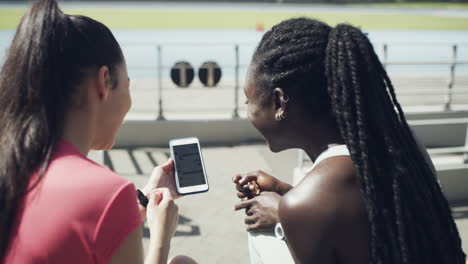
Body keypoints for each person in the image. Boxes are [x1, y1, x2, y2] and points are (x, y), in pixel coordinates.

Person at [233, 18, 466, 264]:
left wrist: (287, 215)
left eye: (249, 100)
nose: (248, 109)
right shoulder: (402, 145)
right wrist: (286, 197)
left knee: (261, 236)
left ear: (280, 103)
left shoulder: (307, 202)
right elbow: (375, 222)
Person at [0, 1, 196, 263]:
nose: (129, 100)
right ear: (104, 83)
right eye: (127, 84)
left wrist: (140, 200)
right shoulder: (107, 192)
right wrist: (161, 237)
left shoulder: (13, 163)